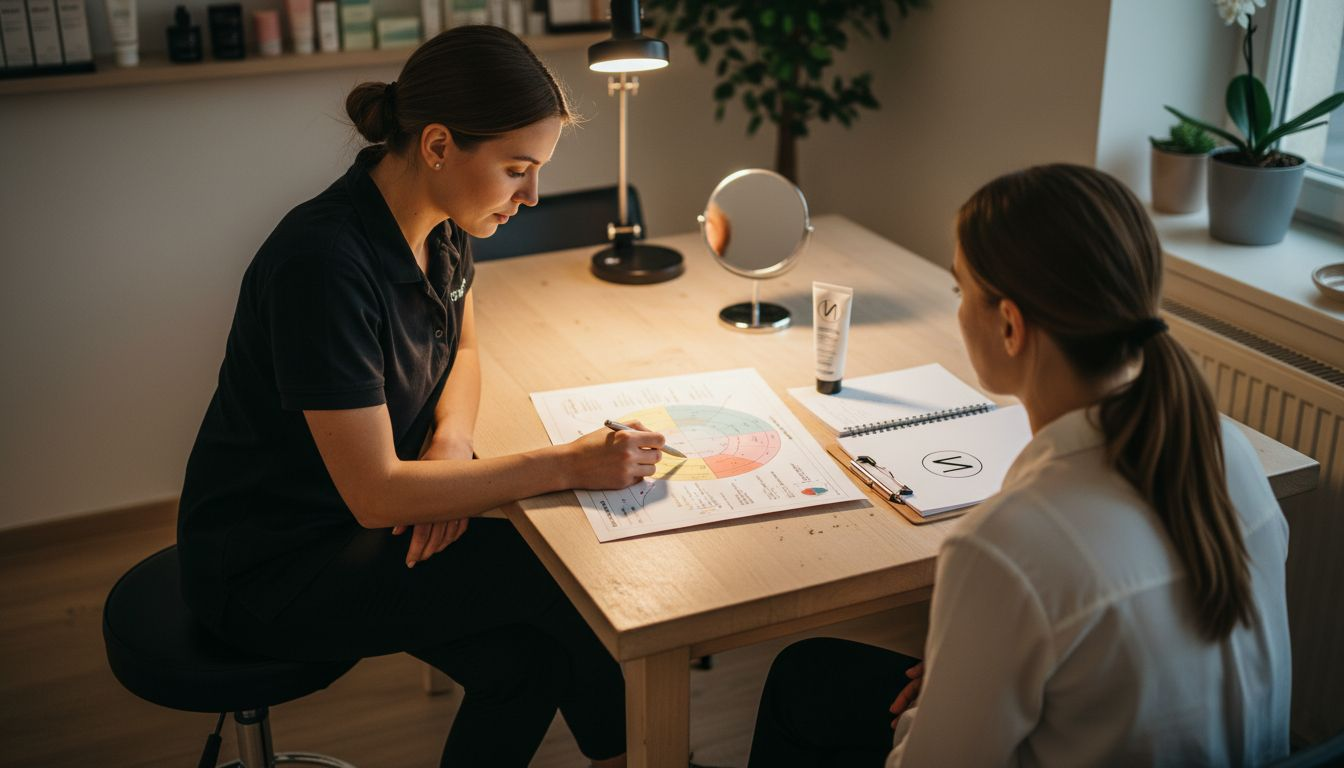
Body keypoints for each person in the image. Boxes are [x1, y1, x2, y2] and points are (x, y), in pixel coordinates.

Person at [177, 26, 664, 768]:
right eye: (516, 170)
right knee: (561, 581)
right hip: (272, 565)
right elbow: (376, 495)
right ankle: (643, 755)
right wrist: (567, 464)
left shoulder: (442, 222)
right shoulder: (323, 266)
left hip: (361, 515)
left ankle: (638, 755)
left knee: (525, 662)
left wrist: (448, 450)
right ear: (438, 145)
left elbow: (463, 346)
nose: (530, 196)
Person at [747, 164, 1291, 767]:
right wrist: (974, 666)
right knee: (812, 675)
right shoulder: (1224, 450)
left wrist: (939, 702)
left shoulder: (1006, 545)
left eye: (961, 292)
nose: (958, 311)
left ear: (1009, 324)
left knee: (806, 682)